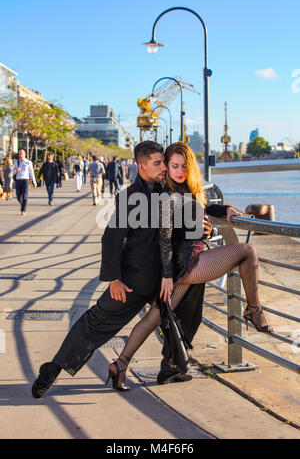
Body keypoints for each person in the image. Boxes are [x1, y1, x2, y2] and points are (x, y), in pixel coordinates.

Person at [109, 141, 273, 388]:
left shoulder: (185, 189)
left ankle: (120, 364)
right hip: (190, 263)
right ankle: (253, 310)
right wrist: (166, 276)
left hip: (182, 266)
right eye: (174, 165)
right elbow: (164, 236)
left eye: (184, 165)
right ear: (167, 166)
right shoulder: (168, 194)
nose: (180, 170)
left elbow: (199, 208)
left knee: (153, 318)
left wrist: (222, 208)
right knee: (247, 251)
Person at [31, 140, 169, 398]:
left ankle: (161, 368)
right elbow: (112, 238)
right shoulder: (130, 197)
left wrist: (222, 211)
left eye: (164, 162)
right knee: (95, 325)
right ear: (141, 166)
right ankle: (52, 369)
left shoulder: (167, 190)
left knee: (173, 322)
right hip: (134, 279)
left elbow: (194, 203)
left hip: (163, 279)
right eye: (157, 163)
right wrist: (113, 279)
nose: (163, 168)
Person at [12, 149, 37, 216]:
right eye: (20, 153)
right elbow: (12, 171)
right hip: (18, 180)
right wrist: (16, 170)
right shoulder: (16, 162)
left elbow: (31, 173)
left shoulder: (28, 162)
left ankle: (23, 210)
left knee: (25, 196)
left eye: (22, 153)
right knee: (18, 196)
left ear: (25, 154)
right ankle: (22, 205)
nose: (21, 155)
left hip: (25, 180)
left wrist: (34, 182)